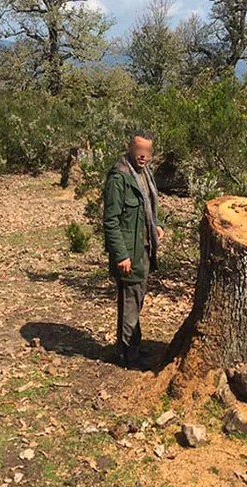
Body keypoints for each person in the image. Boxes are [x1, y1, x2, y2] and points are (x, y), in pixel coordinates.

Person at [102, 130, 164, 370]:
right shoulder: (119, 177)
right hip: (130, 252)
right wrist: (121, 255)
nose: (143, 156)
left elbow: (148, 207)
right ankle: (129, 355)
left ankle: (131, 346)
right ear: (130, 148)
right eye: (139, 150)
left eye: (147, 151)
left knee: (136, 300)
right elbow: (111, 221)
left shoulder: (145, 174)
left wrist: (156, 226)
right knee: (130, 302)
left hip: (144, 247)